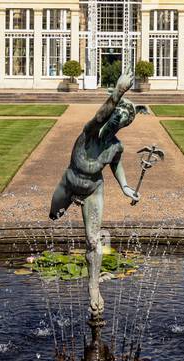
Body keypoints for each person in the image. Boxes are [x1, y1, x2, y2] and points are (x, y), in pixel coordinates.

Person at [48, 70, 142, 314]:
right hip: (69, 183)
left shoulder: (115, 146)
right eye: (118, 114)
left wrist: (125, 187)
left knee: (93, 240)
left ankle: (93, 287)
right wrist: (118, 91)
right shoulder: (90, 132)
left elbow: (115, 164)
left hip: (93, 189)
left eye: (124, 119)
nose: (118, 120)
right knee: (54, 216)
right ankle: (66, 205)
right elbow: (100, 116)